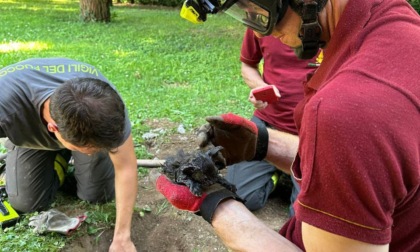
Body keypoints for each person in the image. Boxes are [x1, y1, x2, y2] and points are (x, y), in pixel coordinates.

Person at [156, 0, 420, 251]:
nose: (260, 37)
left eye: (256, 8)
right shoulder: (395, 21)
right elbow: (367, 169)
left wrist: (215, 202)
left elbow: (352, 133)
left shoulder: (346, 110)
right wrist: (263, 143)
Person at [0, 58, 137, 252]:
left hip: (82, 125)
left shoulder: (108, 109)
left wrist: (122, 237)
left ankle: (69, 158)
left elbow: (126, 167)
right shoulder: (5, 106)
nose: (91, 154)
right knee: (26, 202)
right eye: (87, 149)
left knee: (97, 194)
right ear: (53, 128)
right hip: (29, 130)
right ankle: (56, 158)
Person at [227, 27, 321, 214]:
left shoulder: (331, 19)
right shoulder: (262, 17)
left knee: (303, 216)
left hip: (315, 133)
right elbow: (248, 65)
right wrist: (260, 87)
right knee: (241, 197)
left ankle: (288, 171)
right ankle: (278, 173)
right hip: (268, 124)